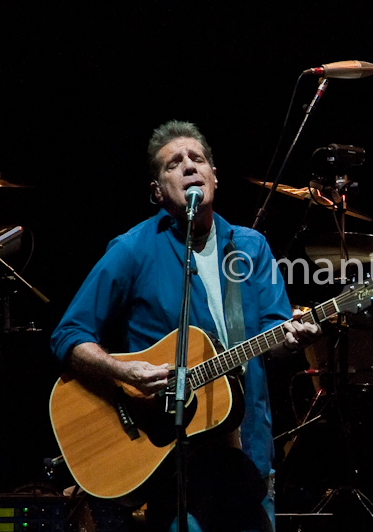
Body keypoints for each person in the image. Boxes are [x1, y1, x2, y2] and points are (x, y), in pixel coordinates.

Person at [50, 120, 321, 531]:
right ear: (158, 192)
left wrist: (293, 337)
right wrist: (124, 372)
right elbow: (68, 336)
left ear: (214, 176)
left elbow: (276, 333)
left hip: (247, 450)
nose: (190, 166)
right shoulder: (133, 249)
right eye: (174, 163)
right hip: (170, 461)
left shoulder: (251, 247)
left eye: (198, 159)